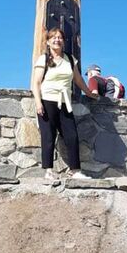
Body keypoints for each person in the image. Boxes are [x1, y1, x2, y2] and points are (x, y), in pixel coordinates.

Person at [32, 28, 98, 182]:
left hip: (64, 102)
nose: (57, 40)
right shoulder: (43, 59)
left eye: (60, 37)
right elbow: (36, 83)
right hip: (47, 100)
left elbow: (78, 79)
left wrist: (89, 93)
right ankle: (49, 171)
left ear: (63, 41)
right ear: (48, 42)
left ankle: (75, 171)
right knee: (48, 136)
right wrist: (38, 103)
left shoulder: (69, 59)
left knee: (71, 136)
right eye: (53, 38)